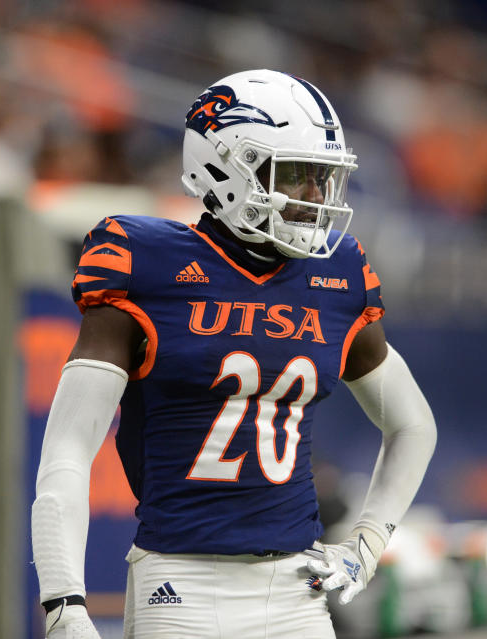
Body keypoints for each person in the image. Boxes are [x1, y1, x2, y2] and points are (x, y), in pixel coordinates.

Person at [31, 69, 437, 639]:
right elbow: (70, 446)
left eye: (322, 179)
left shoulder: (337, 275)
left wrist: (366, 542)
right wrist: (64, 600)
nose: (314, 197)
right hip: (180, 588)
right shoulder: (146, 264)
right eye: (297, 176)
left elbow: (414, 424)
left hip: (297, 591)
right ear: (225, 166)